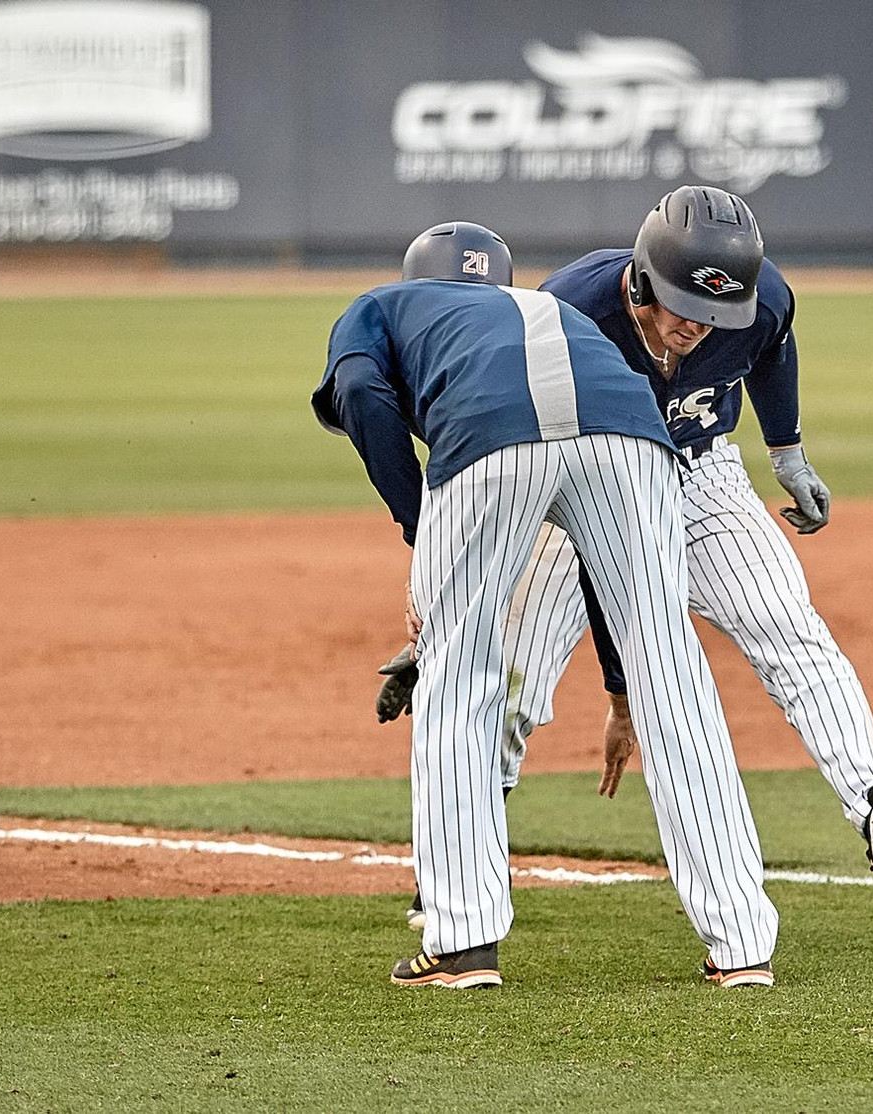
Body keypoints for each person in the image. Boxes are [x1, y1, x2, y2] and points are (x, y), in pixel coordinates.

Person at [388, 185, 873, 925]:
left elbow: (774, 344)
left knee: (786, 625)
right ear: (640, 281)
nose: (700, 327)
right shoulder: (569, 308)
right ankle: (458, 856)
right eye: (685, 307)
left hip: (700, 470)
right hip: (579, 481)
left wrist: (786, 450)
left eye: (717, 314)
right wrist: (464, 603)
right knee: (510, 684)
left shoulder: (763, 301)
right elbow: (498, 440)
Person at [316, 221, 780, 990]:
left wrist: (417, 524)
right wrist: (621, 675)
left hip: (492, 437)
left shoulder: (381, 307)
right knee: (673, 670)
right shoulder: (552, 307)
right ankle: (741, 944)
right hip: (631, 436)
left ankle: (463, 939)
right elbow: (602, 569)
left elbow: (361, 392)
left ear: (413, 277)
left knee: (460, 678)